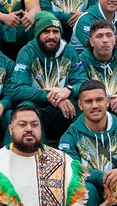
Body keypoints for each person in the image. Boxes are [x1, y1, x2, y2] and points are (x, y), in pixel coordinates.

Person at [11, 11, 87, 140]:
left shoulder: (69, 51)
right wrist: (53, 97)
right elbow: (17, 89)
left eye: (55, 31)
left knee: (81, 103)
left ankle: (76, 149)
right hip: (37, 107)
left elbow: (83, 84)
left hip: (62, 112)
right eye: (46, 32)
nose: (51, 36)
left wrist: (68, 90)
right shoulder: (27, 52)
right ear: (38, 34)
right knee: (25, 105)